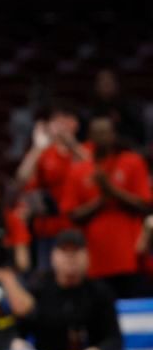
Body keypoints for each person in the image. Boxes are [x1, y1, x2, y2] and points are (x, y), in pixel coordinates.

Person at [61, 115, 151, 298]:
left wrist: (111, 190)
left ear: (114, 135)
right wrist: (102, 200)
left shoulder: (132, 162)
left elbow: (145, 205)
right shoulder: (79, 170)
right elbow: (72, 214)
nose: (102, 137)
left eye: (106, 133)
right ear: (90, 137)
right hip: (93, 260)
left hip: (131, 258)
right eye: (97, 133)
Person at [16, 103, 90, 272]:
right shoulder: (43, 153)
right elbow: (22, 177)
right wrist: (37, 146)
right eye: (57, 119)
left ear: (76, 124)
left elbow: (95, 173)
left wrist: (71, 144)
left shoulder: (86, 149)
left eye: (67, 118)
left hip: (80, 228)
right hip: (49, 230)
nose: (62, 124)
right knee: (47, 277)